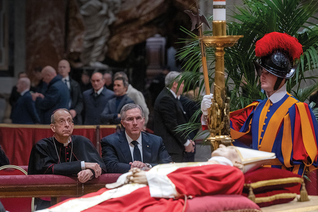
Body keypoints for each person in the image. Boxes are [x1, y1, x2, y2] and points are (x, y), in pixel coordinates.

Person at [202, 32, 318, 176]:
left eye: (268, 72)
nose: (262, 75)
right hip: (254, 177)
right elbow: (228, 131)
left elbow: (301, 161)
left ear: (282, 77)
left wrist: (292, 184)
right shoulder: (257, 107)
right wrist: (209, 112)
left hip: (281, 180)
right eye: (262, 71)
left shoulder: (297, 110)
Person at [36, 145, 244, 212]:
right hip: (138, 184)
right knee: (90, 201)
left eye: (229, 148)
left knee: (104, 206)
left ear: (236, 161)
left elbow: (194, 184)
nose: (223, 146)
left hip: (151, 190)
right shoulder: (207, 164)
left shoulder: (230, 171)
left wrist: (148, 178)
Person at [28, 108, 106, 179]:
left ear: (72, 126)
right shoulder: (42, 146)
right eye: (61, 121)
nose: (67, 125)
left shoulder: (83, 142)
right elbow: (47, 169)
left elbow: (100, 166)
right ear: (53, 127)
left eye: (69, 121)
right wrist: (83, 165)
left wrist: (90, 172)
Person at [101, 103, 172, 173]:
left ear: (143, 121)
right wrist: (134, 167)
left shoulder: (156, 141)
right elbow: (109, 165)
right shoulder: (110, 142)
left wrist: (146, 166)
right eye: (130, 119)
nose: (135, 123)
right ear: (123, 123)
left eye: (138, 118)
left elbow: (167, 163)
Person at [154, 71, 195, 162]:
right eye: (182, 83)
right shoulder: (166, 99)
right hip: (170, 148)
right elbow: (172, 125)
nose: (183, 86)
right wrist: (186, 142)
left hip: (176, 145)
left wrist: (188, 140)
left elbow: (180, 122)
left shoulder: (173, 97)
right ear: (175, 84)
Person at [58, 59, 83, 124]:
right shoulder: (54, 84)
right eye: (60, 67)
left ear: (69, 69)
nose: (62, 69)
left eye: (64, 67)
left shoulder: (75, 84)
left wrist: (76, 111)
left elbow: (80, 101)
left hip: (73, 118)